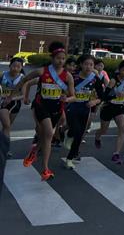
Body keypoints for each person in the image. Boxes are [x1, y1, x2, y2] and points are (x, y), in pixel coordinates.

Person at [17, 42, 75, 181]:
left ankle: (35, 152)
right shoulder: (42, 71)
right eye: (58, 58)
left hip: (56, 108)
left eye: (63, 59)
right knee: (49, 133)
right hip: (41, 106)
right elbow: (25, 79)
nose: (60, 61)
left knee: (45, 137)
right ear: (52, 58)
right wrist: (15, 94)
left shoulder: (68, 76)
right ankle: (45, 169)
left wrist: (66, 99)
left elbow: (73, 96)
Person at [64, 54, 103, 169]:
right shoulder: (73, 77)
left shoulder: (95, 79)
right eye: (86, 64)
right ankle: (69, 134)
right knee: (75, 129)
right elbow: (64, 90)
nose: (88, 67)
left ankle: (69, 158)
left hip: (85, 107)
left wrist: (94, 101)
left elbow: (102, 96)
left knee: (80, 134)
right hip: (71, 106)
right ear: (81, 64)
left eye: (91, 65)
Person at [94, 60, 124, 165]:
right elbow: (104, 97)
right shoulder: (113, 80)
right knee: (104, 130)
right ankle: (97, 137)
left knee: (123, 128)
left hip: (119, 108)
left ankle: (116, 153)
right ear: (119, 70)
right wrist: (115, 95)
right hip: (108, 107)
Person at [0, 57, 25, 157]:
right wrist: (2, 96)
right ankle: (5, 150)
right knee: (6, 125)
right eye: (14, 66)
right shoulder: (2, 75)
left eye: (18, 67)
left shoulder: (22, 78)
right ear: (10, 66)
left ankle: (3, 146)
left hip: (15, 104)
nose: (15, 68)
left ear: (21, 68)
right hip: (2, 103)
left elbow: (23, 95)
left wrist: (12, 98)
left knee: (7, 127)